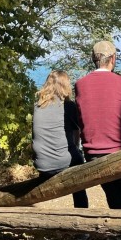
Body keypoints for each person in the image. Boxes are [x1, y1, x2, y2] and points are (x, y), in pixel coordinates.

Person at [75, 40, 121, 209]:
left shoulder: (80, 84)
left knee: (113, 193)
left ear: (93, 59)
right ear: (113, 59)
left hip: (92, 155)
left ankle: (119, 231)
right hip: (118, 152)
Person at [32, 69, 88, 208]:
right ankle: (82, 215)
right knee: (79, 164)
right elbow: (77, 134)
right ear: (65, 85)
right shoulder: (68, 106)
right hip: (62, 162)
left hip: (42, 165)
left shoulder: (38, 105)